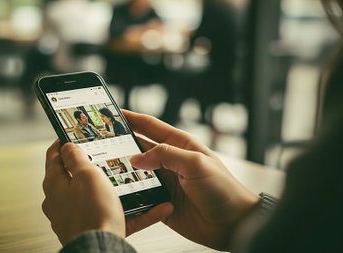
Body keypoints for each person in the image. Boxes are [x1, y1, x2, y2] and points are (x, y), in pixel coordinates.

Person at [42, 1, 343, 252]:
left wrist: (95, 239)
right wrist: (243, 219)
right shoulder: (126, 11)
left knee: (177, 83)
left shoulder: (204, 10)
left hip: (211, 78)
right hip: (201, 75)